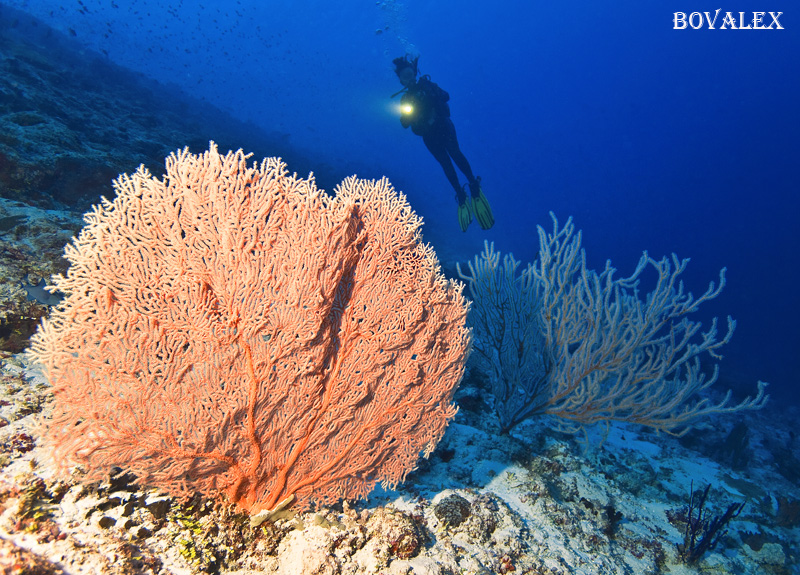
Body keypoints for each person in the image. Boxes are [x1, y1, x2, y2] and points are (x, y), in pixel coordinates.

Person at [392, 55, 494, 231]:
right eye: (404, 77)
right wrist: (408, 114)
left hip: (444, 127)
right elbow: (404, 123)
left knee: (455, 153)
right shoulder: (405, 100)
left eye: (409, 74)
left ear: (414, 73)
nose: (408, 79)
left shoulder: (427, 84)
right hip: (429, 136)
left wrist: (431, 95)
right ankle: (460, 194)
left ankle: (473, 184)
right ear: (401, 81)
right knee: (445, 163)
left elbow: (446, 95)